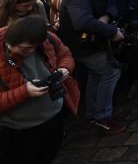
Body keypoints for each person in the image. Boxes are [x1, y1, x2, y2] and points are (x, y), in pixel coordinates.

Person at [0, 16, 79, 164]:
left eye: (30, 48)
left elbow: (65, 54)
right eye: (22, 48)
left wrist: (65, 68)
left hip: (54, 116)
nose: (29, 51)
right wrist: (25, 92)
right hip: (19, 130)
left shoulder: (47, 38)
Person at [57, 0, 127, 133]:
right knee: (110, 71)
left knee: (98, 74)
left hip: (90, 43)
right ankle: (101, 116)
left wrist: (107, 17)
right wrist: (112, 32)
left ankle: (95, 114)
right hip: (79, 46)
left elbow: (112, 4)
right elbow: (82, 22)